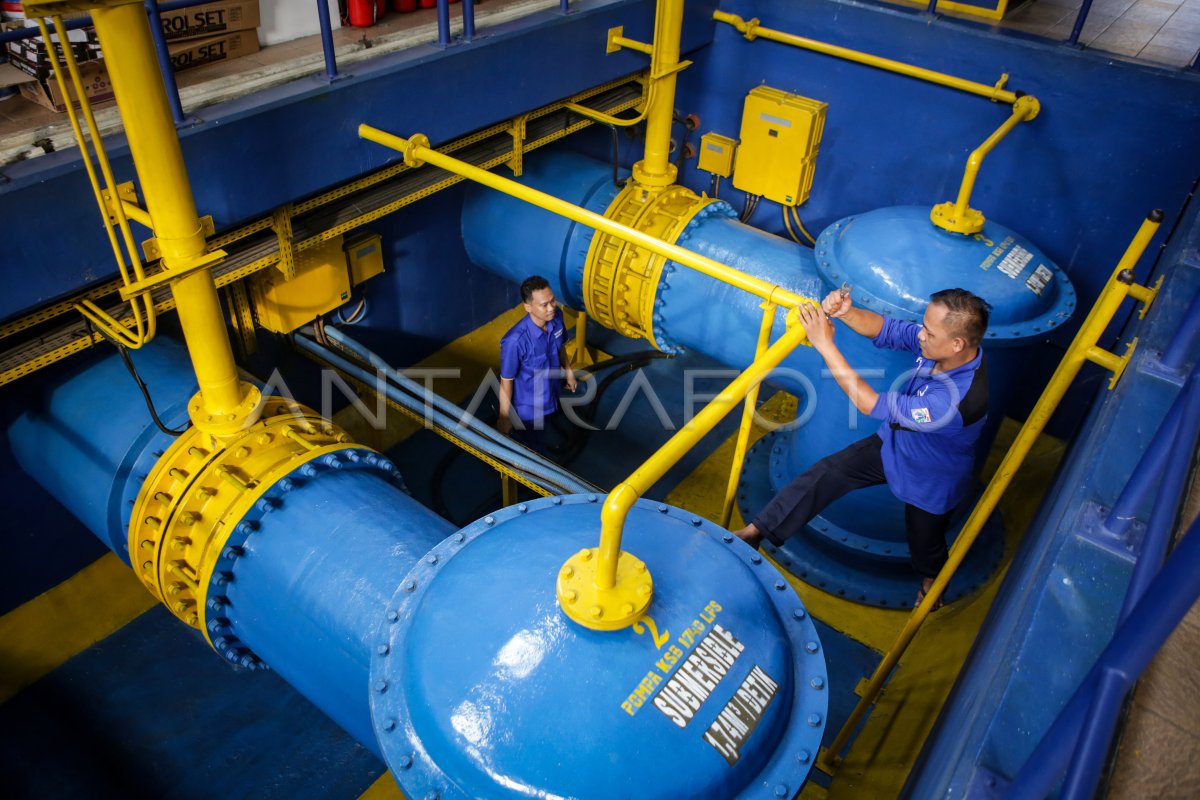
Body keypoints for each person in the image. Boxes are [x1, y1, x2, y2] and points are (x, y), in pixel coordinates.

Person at [733, 287, 990, 608]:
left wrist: (824, 344)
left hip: (931, 476)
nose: (921, 335)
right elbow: (888, 329)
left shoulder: (954, 401)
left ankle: (932, 580)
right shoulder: (943, 347)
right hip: (895, 443)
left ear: (957, 344)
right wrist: (846, 312)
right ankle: (756, 532)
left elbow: (869, 404)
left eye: (928, 331)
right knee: (827, 473)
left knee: (925, 541)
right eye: (924, 325)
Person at [497, 276, 577, 452]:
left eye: (553, 301)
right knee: (530, 445)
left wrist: (569, 372)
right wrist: (504, 417)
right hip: (529, 408)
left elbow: (560, 347)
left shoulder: (557, 318)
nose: (551, 308)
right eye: (544, 305)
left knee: (547, 427)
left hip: (553, 392)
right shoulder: (515, 341)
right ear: (528, 307)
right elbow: (506, 380)